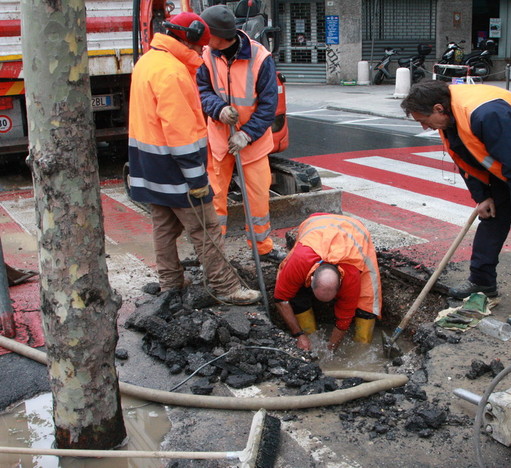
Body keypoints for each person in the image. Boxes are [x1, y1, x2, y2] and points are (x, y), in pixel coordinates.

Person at [401, 80, 511, 331]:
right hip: (508, 162)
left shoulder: (487, 114)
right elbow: (465, 157)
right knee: (491, 217)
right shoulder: (450, 116)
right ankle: (483, 282)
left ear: (438, 108)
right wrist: (483, 197)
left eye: (423, 120)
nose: (424, 127)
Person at [127, 11, 261, 305]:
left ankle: (170, 282)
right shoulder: (172, 73)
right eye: (200, 46)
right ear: (187, 40)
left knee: (163, 226)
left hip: (149, 164)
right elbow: (180, 132)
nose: (203, 51)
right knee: (206, 227)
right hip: (175, 167)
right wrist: (197, 178)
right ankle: (225, 287)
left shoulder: (148, 61)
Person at [196, 5, 284, 262]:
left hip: (252, 143)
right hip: (220, 140)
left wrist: (246, 134)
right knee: (214, 199)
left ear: (221, 36)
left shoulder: (260, 58)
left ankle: (262, 249)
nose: (203, 40)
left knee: (257, 199)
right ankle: (213, 253)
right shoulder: (207, 55)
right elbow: (202, 91)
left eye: (206, 34)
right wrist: (218, 109)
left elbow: (269, 106)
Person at [273, 214, 382, 351]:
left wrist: (331, 349)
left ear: (340, 288)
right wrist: (299, 335)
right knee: (294, 293)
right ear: (311, 280)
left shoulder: (351, 276)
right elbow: (281, 298)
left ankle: (362, 346)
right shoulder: (299, 261)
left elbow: (344, 319)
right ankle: (309, 334)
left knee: (367, 301)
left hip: (356, 231)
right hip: (315, 223)